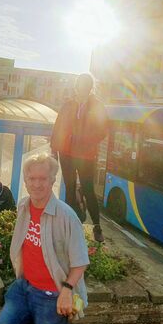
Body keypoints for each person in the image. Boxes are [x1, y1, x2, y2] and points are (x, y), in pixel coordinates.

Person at [0, 152, 89, 324]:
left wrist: (66, 291)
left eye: (42, 179)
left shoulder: (66, 216)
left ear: (52, 180)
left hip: (52, 295)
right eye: (32, 179)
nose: (37, 184)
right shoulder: (24, 206)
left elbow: (80, 262)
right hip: (24, 287)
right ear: (25, 181)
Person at [50, 73, 108, 242]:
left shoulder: (97, 106)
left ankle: (97, 226)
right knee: (69, 187)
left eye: (84, 86)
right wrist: (54, 148)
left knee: (88, 188)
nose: (80, 89)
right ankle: (69, 224)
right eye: (78, 86)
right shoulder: (68, 104)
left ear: (89, 88)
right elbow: (58, 125)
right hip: (66, 152)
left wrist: (84, 139)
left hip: (85, 155)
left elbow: (102, 131)